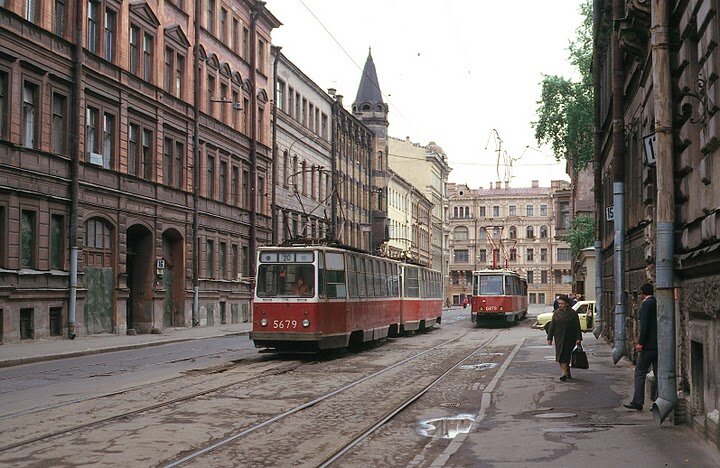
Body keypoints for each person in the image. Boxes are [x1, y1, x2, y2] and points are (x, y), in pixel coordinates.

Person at [624, 283, 658, 411]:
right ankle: (659, 402)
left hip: (648, 346)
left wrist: (640, 343)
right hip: (659, 345)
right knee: (659, 373)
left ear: (642, 293)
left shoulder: (645, 304)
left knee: (639, 372)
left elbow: (644, 326)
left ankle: (637, 401)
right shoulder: (656, 302)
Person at [547, 294, 582, 381]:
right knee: (561, 355)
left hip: (570, 337)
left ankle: (566, 372)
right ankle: (563, 373)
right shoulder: (556, 313)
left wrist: (578, 338)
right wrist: (550, 338)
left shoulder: (573, 313)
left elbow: (577, 326)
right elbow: (552, 326)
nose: (560, 305)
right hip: (559, 337)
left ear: (566, 303)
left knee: (567, 355)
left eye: (562, 303)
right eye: (559, 304)